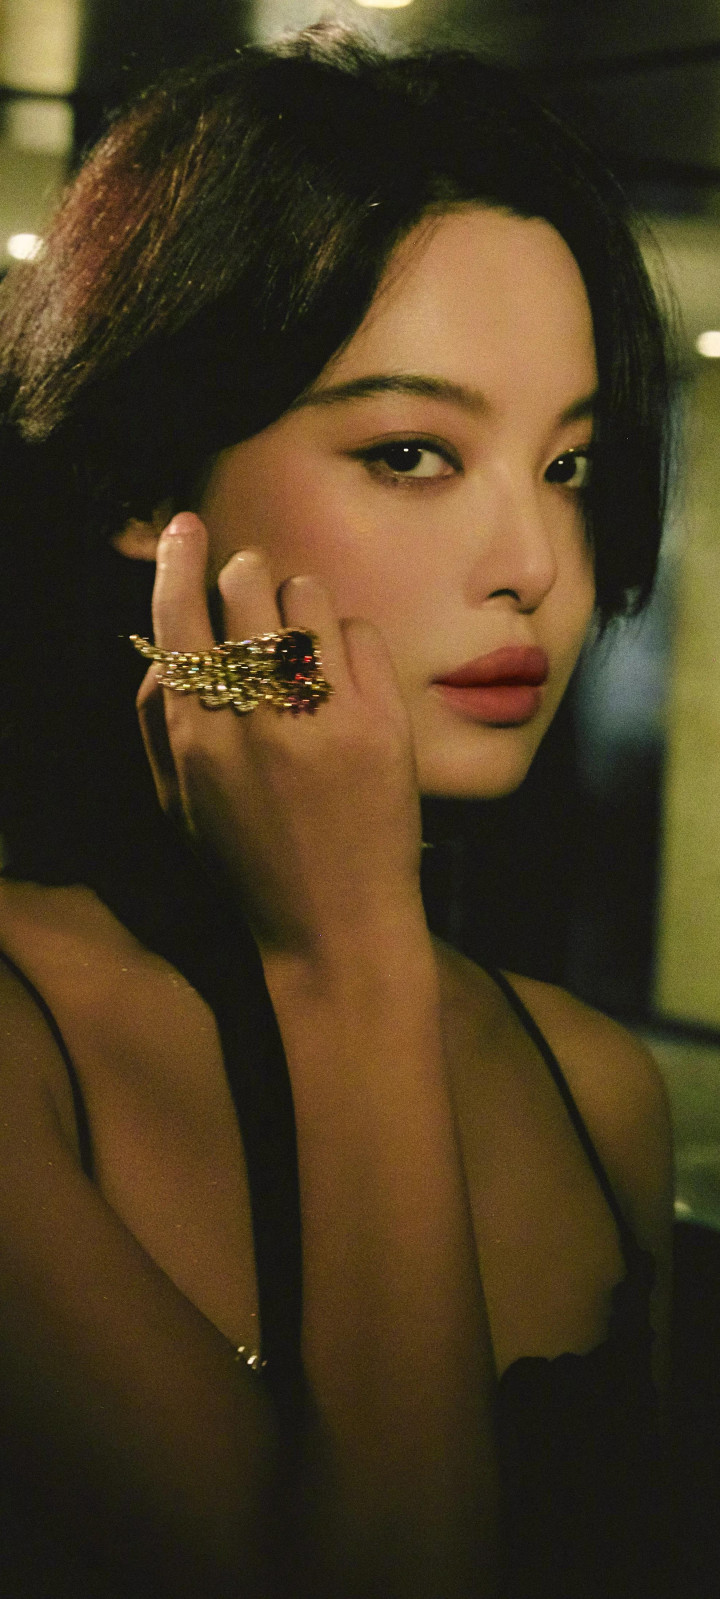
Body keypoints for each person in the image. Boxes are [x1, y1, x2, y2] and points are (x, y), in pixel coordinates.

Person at [0, 25, 675, 1599]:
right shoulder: (22, 1050)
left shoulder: (600, 1094)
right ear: (146, 483)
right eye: (413, 452)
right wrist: (352, 954)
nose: (537, 565)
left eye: (572, 465)